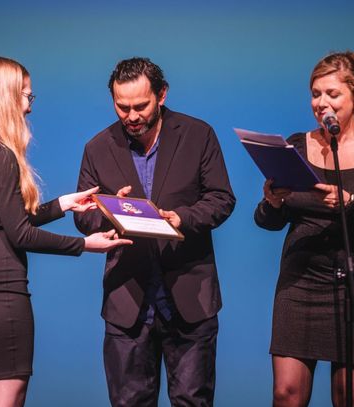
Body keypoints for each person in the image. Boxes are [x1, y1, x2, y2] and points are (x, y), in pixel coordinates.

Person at [0, 56, 132, 407]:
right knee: (6, 400)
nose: (29, 106)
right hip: (1, 292)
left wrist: (64, 204)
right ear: (5, 96)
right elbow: (20, 235)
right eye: (27, 95)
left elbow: (2, 221)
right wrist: (85, 244)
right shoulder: (0, 156)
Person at [74, 57, 235, 406]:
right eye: (122, 107)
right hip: (127, 303)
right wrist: (110, 213)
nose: (132, 116)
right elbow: (84, 218)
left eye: (141, 106)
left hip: (190, 298)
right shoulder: (97, 148)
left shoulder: (198, 135)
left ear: (162, 95)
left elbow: (222, 199)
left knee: (193, 401)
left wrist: (182, 218)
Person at [254, 51, 354, 407]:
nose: (320, 102)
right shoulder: (296, 146)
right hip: (300, 282)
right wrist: (272, 203)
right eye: (315, 93)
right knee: (286, 393)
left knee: (350, 397)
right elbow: (267, 221)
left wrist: (350, 204)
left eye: (331, 93)